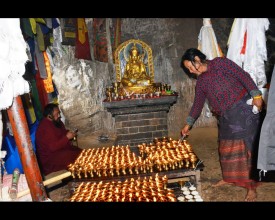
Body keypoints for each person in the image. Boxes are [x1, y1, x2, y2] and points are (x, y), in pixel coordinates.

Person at [180, 48, 264, 202]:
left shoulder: (221, 63)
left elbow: (243, 76)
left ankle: (251, 187)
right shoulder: (201, 82)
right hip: (225, 118)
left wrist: (256, 95)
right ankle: (229, 177)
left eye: (191, 66)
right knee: (226, 149)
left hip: (242, 112)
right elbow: (197, 104)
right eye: (188, 69)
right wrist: (188, 124)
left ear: (198, 59)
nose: (191, 71)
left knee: (246, 150)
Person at [35, 103, 81, 176]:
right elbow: (53, 147)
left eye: (59, 113)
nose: (59, 115)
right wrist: (67, 138)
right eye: (57, 113)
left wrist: (69, 133)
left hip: (59, 150)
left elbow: (62, 132)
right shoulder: (44, 127)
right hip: (50, 158)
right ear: (49, 115)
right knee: (74, 157)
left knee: (79, 151)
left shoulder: (56, 122)